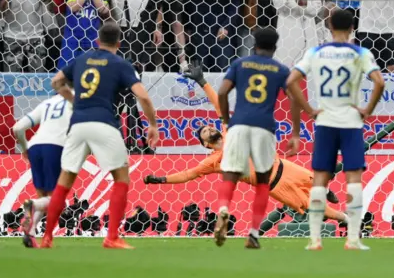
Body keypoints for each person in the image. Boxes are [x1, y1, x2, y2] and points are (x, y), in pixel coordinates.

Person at [143, 69, 346, 226]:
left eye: (208, 126)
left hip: (284, 166)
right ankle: (345, 219)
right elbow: (188, 174)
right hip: (275, 186)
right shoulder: (215, 161)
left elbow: (217, 105)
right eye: (205, 132)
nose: (209, 129)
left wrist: (202, 82)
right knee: (314, 206)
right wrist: (161, 179)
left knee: (317, 180)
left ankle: (326, 190)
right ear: (206, 144)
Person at [41, 21, 160, 249]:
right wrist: (152, 124)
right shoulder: (120, 63)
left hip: (77, 125)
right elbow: (143, 96)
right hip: (104, 123)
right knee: (121, 178)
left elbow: (56, 81)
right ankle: (112, 236)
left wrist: (73, 100)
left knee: (65, 180)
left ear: (97, 40)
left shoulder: (82, 59)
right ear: (119, 42)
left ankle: (47, 237)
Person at [287, 8, 385, 251]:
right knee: (353, 179)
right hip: (351, 122)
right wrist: (367, 110)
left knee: (320, 178)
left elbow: (290, 81)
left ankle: (314, 240)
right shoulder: (360, 52)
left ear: (329, 26)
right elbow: (379, 82)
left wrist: (309, 109)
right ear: (353, 27)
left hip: (325, 121)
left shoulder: (315, 52)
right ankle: (352, 239)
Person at [214, 28, 314, 249]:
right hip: (264, 129)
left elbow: (222, 92)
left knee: (229, 174)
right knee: (262, 182)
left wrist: (225, 118)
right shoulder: (280, 69)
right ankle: (253, 233)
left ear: (254, 44)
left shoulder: (240, 64)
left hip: (238, 124)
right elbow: (294, 100)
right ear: (275, 47)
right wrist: (296, 133)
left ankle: (223, 208)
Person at [13, 94, 72, 248]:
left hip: (35, 147)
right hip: (55, 147)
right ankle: (32, 205)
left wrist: (25, 149)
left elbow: (18, 128)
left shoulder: (47, 103)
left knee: (44, 200)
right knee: (57, 200)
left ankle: (30, 234)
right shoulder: (78, 101)